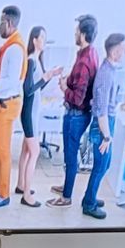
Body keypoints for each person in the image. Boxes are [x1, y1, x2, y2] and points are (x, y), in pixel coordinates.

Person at [49, 15, 101, 210]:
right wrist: (69, 80)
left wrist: (64, 87)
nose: (74, 33)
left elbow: (77, 98)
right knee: (69, 154)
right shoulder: (89, 53)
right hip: (81, 114)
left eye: (77, 31)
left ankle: (66, 196)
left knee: (70, 155)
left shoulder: (84, 61)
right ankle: (66, 186)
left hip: (76, 115)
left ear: (84, 34)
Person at [79, 33, 125, 221]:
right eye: (123, 48)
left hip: (107, 124)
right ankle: (89, 204)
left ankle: (89, 197)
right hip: (102, 127)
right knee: (101, 165)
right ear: (114, 51)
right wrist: (106, 136)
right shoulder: (106, 74)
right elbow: (100, 109)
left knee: (104, 164)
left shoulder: (111, 70)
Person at [0, 8, 27, 211]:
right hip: (5, 101)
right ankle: (0, 186)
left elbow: (10, 81)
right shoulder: (11, 46)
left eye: (1, 22)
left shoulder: (14, 49)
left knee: (3, 151)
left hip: (8, 103)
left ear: (9, 23)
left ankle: (4, 195)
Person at [16, 24, 53, 208]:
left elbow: (38, 88)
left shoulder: (37, 61)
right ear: (34, 40)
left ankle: (21, 185)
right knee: (35, 152)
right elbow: (28, 89)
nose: (44, 41)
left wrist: (50, 76)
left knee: (26, 151)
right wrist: (44, 78)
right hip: (29, 113)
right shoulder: (30, 60)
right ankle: (26, 195)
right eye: (42, 38)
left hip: (33, 113)